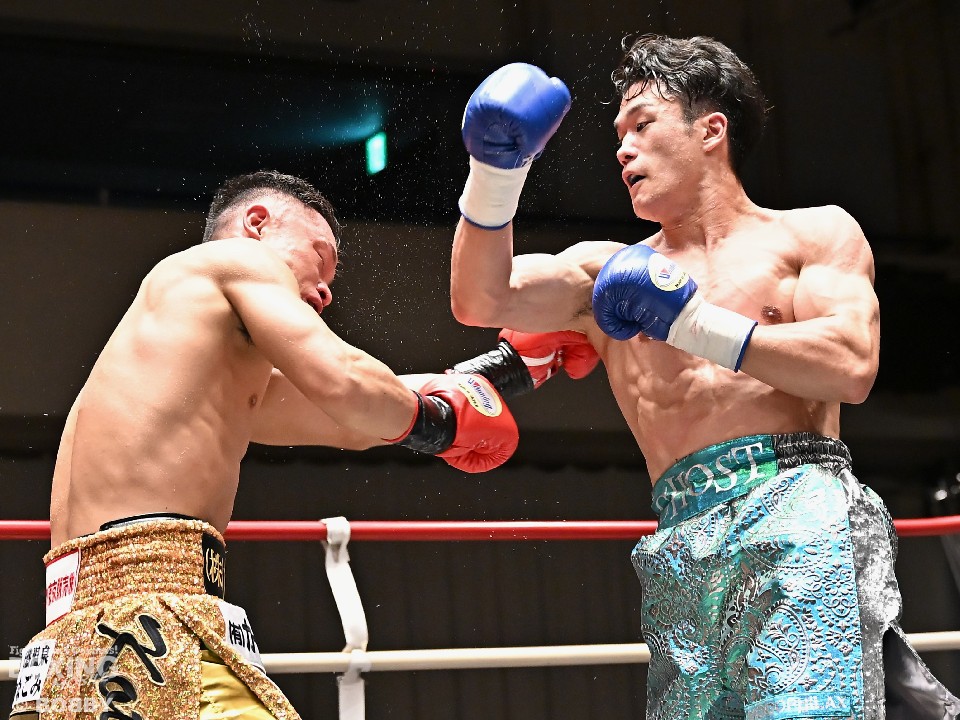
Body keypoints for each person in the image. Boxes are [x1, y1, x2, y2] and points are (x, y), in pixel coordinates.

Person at [448, 35, 959, 720]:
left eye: (642, 125)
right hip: (680, 536)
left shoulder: (810, 235)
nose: (623, 149)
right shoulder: (604, 274)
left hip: (797, 505)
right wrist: (494, 173)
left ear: (711, 129)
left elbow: (850, 365)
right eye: (618, 135)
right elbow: (480, 299)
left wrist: (690, 323)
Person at [9, 170, 521, 720]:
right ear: (257, 224)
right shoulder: (236, 261)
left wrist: (511, 371)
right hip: (150, 627)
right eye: (319, 256)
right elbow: (345, 381)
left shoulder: (189, 351)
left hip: (69, 648)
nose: (326, 290)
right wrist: (436, 424)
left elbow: (347, 416)